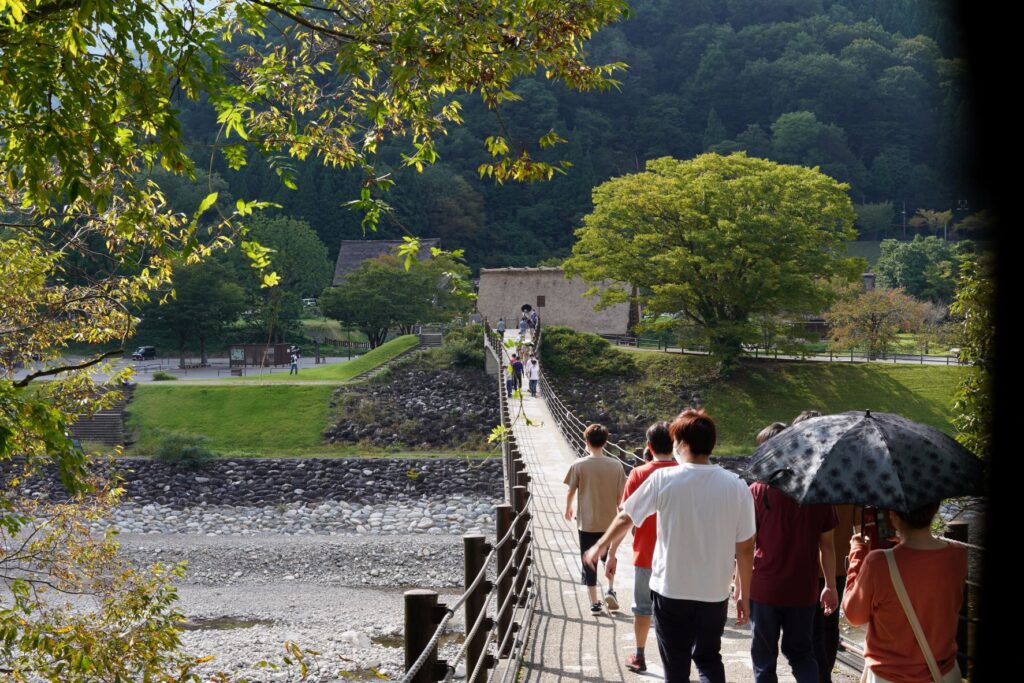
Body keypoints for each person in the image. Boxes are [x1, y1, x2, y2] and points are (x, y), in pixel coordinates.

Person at [584, 409, 755, 683]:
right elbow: (746, 549)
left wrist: (600, 546)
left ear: (682, 444)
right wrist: (743, 593)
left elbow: (626, 515)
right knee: (709, 659)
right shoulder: (736, 486)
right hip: (714, 593)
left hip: (671, 591)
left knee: (675, 667)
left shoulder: (664, 480)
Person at [749, 423, 838, 683]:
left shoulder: (757, 492)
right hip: (803, 589)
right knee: (801, 654)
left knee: (764, 660)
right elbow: (828, 546)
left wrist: (739, 582)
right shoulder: (817, 493)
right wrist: (830, 585)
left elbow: (746, 545)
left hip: (764, 587)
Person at [843, 502, 967, 683]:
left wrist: (857, 554)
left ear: (893, 514)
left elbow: (854, 616)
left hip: (889, 677)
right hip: (943, 674)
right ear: (935, 507)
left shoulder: (878, 563)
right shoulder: (958, 554)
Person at [790, 409, 857, 683]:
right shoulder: (846, 468)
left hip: (804, 560)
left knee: (806, 628)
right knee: (829, 625)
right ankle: (824, 676)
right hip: (839, 559)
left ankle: (816, 677)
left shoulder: (797, 470)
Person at [618, 422, 678, 673]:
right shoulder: (684, 471)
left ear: (649, 447)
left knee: (642, 608)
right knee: (675, 610)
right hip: (677, 554)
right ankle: (674, 660)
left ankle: (640, 655)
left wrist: (610, 551)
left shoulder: (639, 474)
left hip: (645, 552)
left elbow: (625, 513)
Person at [564, 424, 627, 614]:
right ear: (605, 442)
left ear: (586, 442)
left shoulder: (579, 465)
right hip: (610, 524)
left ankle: (594, 603)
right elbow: (620, 499)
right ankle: (610, 590)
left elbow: (571, 490)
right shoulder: (616, 465)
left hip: (587, 523)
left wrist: (568, 508)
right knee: (609, 558)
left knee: (588, 562)